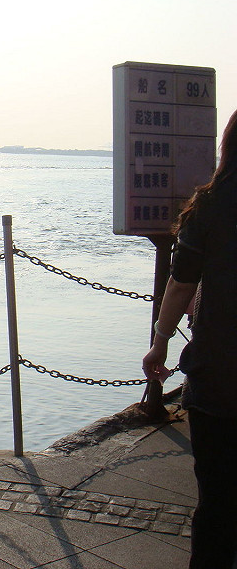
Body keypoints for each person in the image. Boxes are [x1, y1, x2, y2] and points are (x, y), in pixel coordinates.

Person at [142, 108, 237, 568]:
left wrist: (159, 341)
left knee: (217, 501)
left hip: (219, 375)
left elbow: (181, 284)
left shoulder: (210, 206)